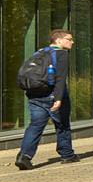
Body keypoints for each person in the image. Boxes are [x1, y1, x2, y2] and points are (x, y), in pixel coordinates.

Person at [15, 29, 78, 170]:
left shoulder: (41, 52)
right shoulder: (61, 54)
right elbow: (60, 78)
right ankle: (67, 155)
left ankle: (24, 156)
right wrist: (58, 98)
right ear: (59, 40)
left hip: (35, 95)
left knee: (35, 126)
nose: (72, 42)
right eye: (69, 39)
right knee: (62, 125)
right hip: (52, 95)